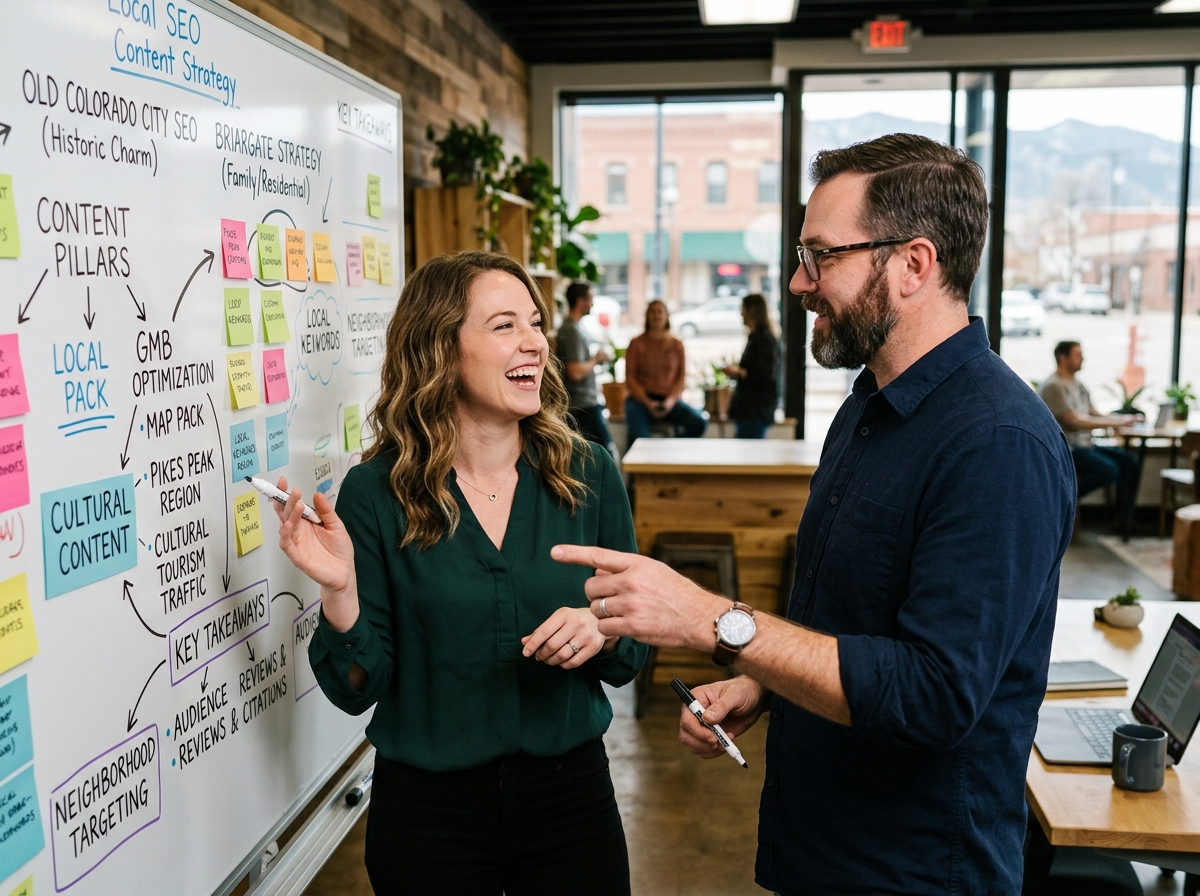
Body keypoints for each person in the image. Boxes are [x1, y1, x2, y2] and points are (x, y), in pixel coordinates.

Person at [553, 134, 1076, 895]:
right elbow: (854, 624)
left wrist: (714, 622)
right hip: (818, 848)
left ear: (913, 265)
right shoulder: (868, 409)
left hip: (912, 872)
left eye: (820, 255)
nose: (800, 283)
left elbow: (934, 693)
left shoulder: (997, 443)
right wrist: (763, 684)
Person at [271, 251, 646, 896]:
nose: (534, 342)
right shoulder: (374, 494)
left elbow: (631, 649)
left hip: (569, 802)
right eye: (505, 326)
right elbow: (358, 687)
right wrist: (340, 592)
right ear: (440, 349)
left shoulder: (589, 475)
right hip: (427, 816)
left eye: (535, 323)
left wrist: (604, 627)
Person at [1039, 340, 1140, 523]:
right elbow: (1075, 420)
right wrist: (1113, 424)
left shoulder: (1078, 385)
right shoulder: (1054, 386)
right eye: (1077, 354)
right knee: (1110, 470)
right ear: (1063, 357)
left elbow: (1093, 413)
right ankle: (1063, 500)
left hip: (1087, 444)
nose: (1082, 358)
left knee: (1129, 461)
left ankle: (1124, 520)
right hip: (1069, 449)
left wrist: (1122, 420)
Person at [623, 299, 706, 441]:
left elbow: (681, 377)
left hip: (669, 400)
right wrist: (647, 402)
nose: (657, 316)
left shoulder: (676, 344)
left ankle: (672, 452)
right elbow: (630, 377)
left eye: (660, 312)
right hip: (640, 401)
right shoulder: (636, 343)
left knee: (698, 422)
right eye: (653, 312)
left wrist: (670, 402)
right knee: (639, 436)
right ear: (647, 316)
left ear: (667, 316)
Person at [554, 281, 613, 451]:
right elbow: (575, 371)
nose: (592, 304)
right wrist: (596, 359)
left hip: (584, 404)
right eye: (590, 299)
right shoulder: (571, 330)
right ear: (580, 301)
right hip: (582, 406)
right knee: (604, 456)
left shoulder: (575, 328)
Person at [722, 292, 779, 439]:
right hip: (750, 410)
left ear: (752, 310)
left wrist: (738, 372)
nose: (741, 313)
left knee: (750, 455)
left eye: (743, 308)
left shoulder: (763, 340)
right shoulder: (756, 338)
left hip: (755, 411)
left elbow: (764, 375)